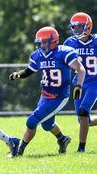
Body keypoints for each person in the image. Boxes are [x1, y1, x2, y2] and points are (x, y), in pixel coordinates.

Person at [9, 26, 85, 156]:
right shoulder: (38, 56)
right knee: (47, 125)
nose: (42, 45)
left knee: (32, 121)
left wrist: (78, 86)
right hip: (45, 95)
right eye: (40, 43)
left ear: (53, 41)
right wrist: (18, 74)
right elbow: (29, 70)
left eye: (45, 42)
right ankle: (62, 139)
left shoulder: (63, 53)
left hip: (59, 96)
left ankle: (19, 151)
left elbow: (80, 68)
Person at [63, 12, 97, 153]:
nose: (76, 30)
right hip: (79, 82)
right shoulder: (69, 43)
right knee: (83, 119)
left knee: (83, 112)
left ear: (88, 27)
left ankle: (81, 149)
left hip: (95, 82)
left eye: (80, 27)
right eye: (74, 27)